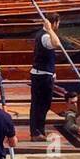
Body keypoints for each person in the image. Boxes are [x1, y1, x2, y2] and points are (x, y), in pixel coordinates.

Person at [28, 11, 62, 143]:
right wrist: (50, 29)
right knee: (40, 105)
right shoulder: (46, 36)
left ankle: (38, 130)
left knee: (43, 104)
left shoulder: (43, 35)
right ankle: (36, 132)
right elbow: (57, 44)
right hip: (41, 76)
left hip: (44, 74)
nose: (58, 26)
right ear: (54, 23)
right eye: (58, 24)